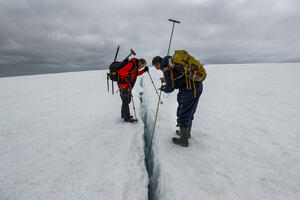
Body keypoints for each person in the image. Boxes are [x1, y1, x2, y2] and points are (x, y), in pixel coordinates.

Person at [152, 55, 203, 147]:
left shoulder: (165, 66)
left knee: (183, 113)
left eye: (156, 67)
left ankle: (184, 140)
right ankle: (186, 134)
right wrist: (167, 80)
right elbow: (177, 78)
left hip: (189, 89)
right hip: (197, 86)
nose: (158, 69)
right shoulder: (171, 62)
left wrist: (164, 88)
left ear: (158, 63)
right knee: (189, 111)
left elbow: (170, 87)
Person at [118, 57, 148, 122]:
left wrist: (143, 71)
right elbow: (120, 71)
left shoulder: (135, 67)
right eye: (142, 66)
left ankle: (124, 114)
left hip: (127, 86)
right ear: (140, 63)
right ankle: (127, 118)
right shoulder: (131, 64)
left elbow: (136, 74)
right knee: (125, 101)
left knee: (127, 100)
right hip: (123, 86)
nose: (142, 67)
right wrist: (127, 74)